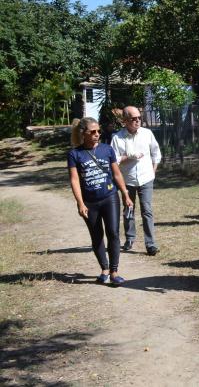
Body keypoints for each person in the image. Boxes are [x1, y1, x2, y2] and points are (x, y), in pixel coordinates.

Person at [68, 117, 133, 285]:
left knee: (113, 233)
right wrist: (80, 203)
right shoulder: (75, 154)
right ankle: (104, 268)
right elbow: (74, 180)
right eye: (93, 132)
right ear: (83, 133)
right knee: (97, 236)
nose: (97, 134)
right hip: (89, 202)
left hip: (110, 197)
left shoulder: (107, 149)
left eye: (98, 131)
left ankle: (114, 271)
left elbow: (117, 174)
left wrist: (125, 194)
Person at [111, 106, 162, 256]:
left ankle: (151, 244)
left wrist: (153, 171)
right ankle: (130, 238)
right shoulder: (117, 138)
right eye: (134, 118)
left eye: (139, 117)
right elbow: (113, 160)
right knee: (129, 210)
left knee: (147, 210)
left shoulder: (147, 134)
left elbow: (156, 153)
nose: (138, 120)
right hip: (127, 179)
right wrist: (128, 156)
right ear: (125, 120)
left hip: (146, 178)